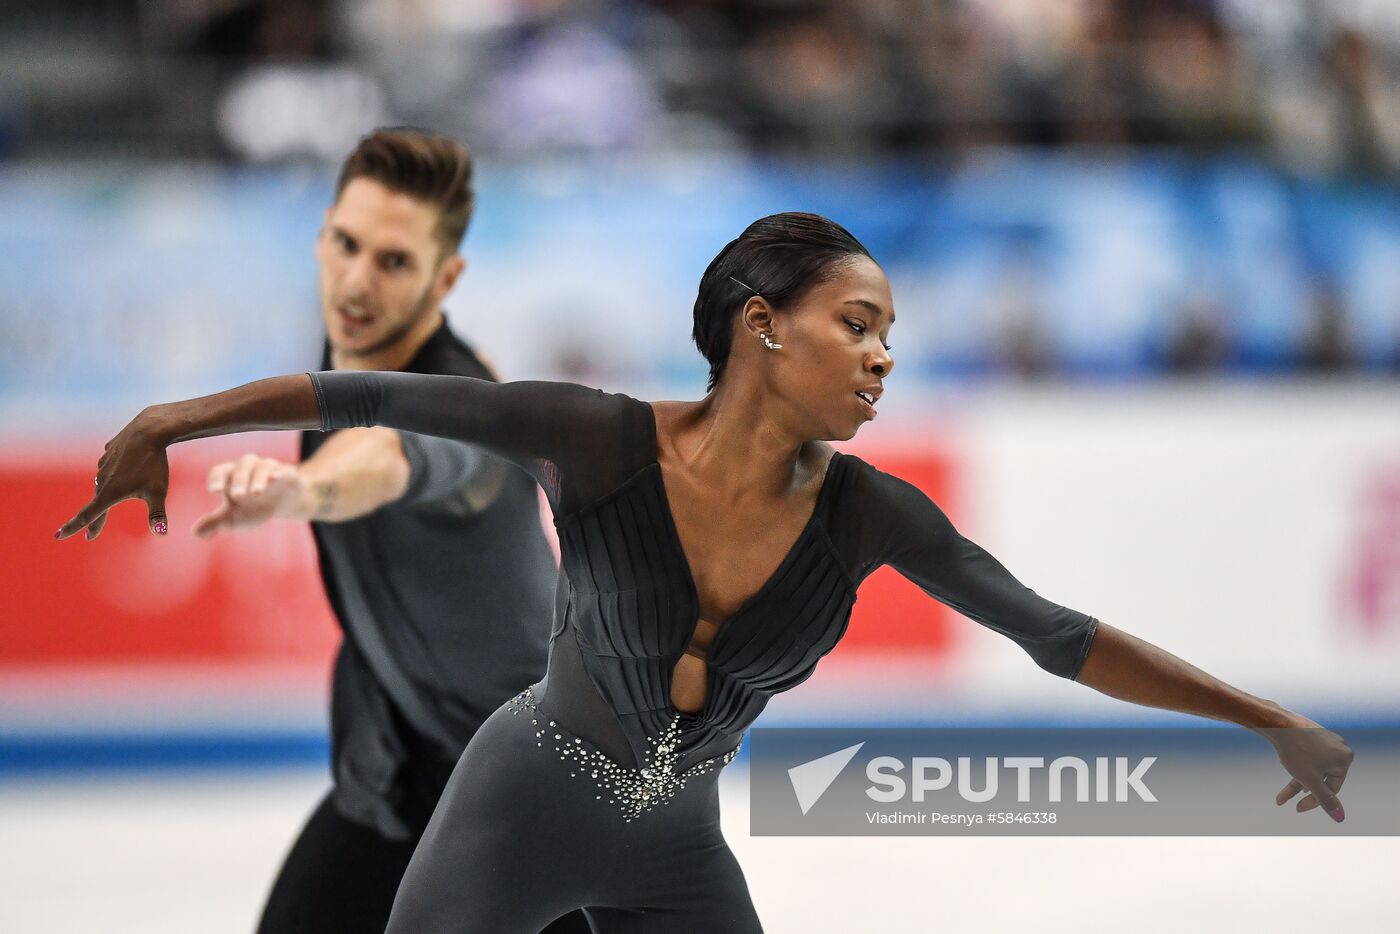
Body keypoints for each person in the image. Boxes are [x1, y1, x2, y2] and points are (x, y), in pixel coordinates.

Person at [59, 213, 1353, 933]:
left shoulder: (872, 516)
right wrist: (168, 421)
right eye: (858, 325)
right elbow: (362, 390)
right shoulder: (596, 435)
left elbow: (1057, 635)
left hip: (675, 846)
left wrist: (1269, 718)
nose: (882, 356)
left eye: (890, 336)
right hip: (518, 803)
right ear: (759, 327)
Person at [79, 128, 589, 934]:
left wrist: (302, 488)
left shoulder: (466, 407)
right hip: (396, 779)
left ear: (444, 277)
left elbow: (390, 456)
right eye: (345, 245)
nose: (356, 283)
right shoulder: (342, 357)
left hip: (536, 799)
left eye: (392, 263)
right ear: (320, 236)